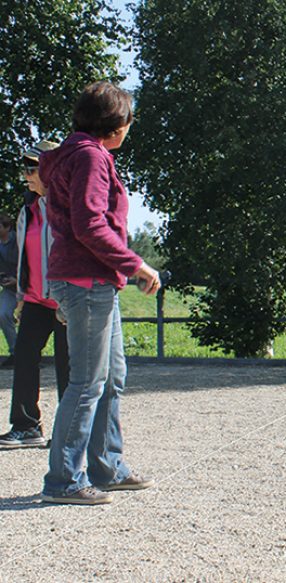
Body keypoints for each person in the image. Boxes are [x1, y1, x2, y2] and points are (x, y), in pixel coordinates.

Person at [38, 81, 163, 505]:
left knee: (111, 378)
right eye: (128, 121)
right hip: (86, 281)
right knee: (88, 383)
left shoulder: (75, 155)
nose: (129, 128)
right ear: (116, 124)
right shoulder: (91, 157)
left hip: (91, 280)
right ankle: (64, 480)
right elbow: (90, 225)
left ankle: (107, 467)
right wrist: (136, 263)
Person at [0, 141, 70, 450]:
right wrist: (18, 297)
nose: (26, 175)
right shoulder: (27, 209)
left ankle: (70, 432)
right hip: (34, 299)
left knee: (68, 367)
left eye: (31, 168)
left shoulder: (67, 205)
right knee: (25, 359)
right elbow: (24, 256)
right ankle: (27, 426)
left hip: (67, 300)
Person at [0, 213, 18, 365]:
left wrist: (18, 280)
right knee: (3, 314)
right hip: (9, 288)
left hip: (28, 286)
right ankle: (15, 352)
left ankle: (31, 355)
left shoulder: (20, 240)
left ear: (7, 227)